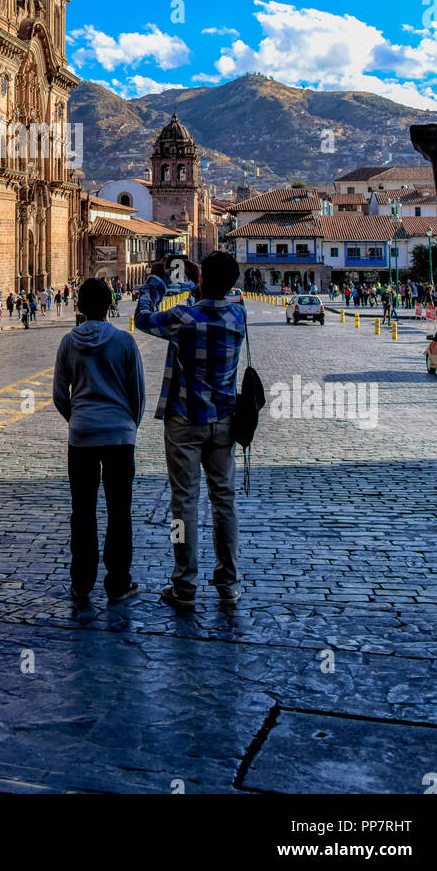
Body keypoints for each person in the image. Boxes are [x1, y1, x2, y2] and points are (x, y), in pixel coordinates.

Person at [135, 251, 246, 611]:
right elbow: (212, 302)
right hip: (224, 423)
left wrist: (157, 281)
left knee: (183, 504)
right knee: (223, 502)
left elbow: (143, 319)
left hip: (184, 421)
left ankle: (185, 583)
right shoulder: (238, 315)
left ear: (200, 280)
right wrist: (203, 285)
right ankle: (228, 583)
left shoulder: (185, 316)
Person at [53, 277, 146, 606]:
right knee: (119, 511)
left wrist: (77, 420)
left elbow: (59, 395)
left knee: (82, 511)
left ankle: (81, 583)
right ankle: (118, 583)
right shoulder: (124, 342)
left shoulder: (68, 342)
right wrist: (127, 426)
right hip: (119, 436)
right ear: (111, 305)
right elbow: (138, 394)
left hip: (82, 437)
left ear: (78, 306)